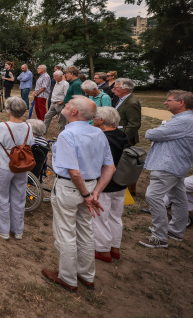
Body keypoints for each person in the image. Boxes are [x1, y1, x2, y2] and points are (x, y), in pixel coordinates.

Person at [42, 97, 115, 293]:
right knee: (86, 230)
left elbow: (74, 172)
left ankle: (67, 277)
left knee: (65, 232)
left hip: (71, 188)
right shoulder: (98, 133)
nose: (63, 106)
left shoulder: (68, 134)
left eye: (67, 105)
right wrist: (95, 193)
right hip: (89, 188)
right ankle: (86, 275)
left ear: (74, 112)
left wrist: (87, 195)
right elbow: (110, 166)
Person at [139, 90, 193, 248]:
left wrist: (151, 131)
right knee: (179, 197)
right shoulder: (186, 119)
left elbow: (152, 134)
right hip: (178, 164)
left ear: (181, 103)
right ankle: (175, 230)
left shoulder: (183, 120)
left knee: (153, 196)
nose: (165, 103)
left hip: (168, 165)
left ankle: (159, 236)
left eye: (168, 100)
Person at [0, 97, 35, 240]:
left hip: (4, 165)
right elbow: (30, 143)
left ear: (8, 110)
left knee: (1, 196)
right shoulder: (29, 126)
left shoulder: (3, 126)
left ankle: (1, 228)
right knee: (19, 197)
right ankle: (18, 230)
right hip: (22, 165)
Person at [91, 106, 130, 262]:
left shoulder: (103, 138)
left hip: (105, 183)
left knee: (100, 217)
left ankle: (102, 250)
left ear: (101, 120)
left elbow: (103, 163)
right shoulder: (122, 135)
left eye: (94, 118)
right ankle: (115, 247)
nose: (92, 120)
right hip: (121, 182)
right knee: (115, 216)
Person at [113, 77, 142, 196]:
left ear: (125, 89)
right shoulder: (122, 99)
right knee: (121, 162)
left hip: (126, 138)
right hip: (119, 136)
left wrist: (122, 138)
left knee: (128, 164)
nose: (113, 90)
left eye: (116, 87)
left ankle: (131, 190)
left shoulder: (132, 102)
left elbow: (134, 124)